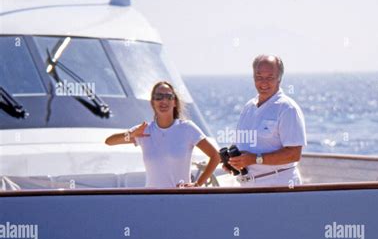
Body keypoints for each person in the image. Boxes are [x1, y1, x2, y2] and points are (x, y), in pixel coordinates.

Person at [105, 81, 220, 188]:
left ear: (174, 102)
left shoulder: (187, 128)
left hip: (181, 199)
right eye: (158, 97)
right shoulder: (144, 130)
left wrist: (197, 185)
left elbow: (215, 156)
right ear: (153, 103)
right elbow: (109, 141)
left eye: (168, 97)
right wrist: (131, 134)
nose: (163, 101)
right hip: (152, 200)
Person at [226, 55, 307, 187]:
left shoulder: (287, 108)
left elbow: (294, 154)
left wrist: (254, 159)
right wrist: (233, 162)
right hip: (247, 187)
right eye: (259, 77)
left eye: (270, 77)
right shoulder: (248, 107)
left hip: (278, 186)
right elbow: (240, 144)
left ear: (279, 79)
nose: (264, 82)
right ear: (253, 78)